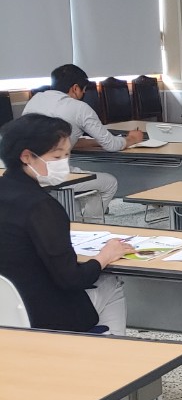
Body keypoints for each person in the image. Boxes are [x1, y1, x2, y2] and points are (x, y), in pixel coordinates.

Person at [0, 114, 130, 334]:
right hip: (46, 315)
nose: (64, 164)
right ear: (27, 157)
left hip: (6, 310)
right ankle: (115, 361)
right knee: (110, 284)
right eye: (57, 156)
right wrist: (105, 256)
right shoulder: (42, 207)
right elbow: (71, 279)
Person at [23, 63, 146, 219]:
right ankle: (89, 225)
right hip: (54, 176)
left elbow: (56, 142)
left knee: (72, 203)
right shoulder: (79, 108)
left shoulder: (36, 100)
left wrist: (95, 142)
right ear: (75, 88)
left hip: (25, 173)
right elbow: (111, 145)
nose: (83, 94)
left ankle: (75, 219)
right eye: (83, 90)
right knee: (109, 183)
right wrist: (131, 139)